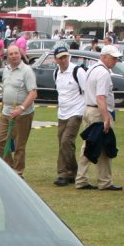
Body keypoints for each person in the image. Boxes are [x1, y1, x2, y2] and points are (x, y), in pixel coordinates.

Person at [75, 45, 123, 191]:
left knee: (92, 145)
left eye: (116, 58)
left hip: (90, 109)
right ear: (104, 56)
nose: (115, 61)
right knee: (102, 145)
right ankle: (102, 181)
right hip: (98, 112)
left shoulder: (92, 69)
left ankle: (86, 179)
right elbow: (101, 97)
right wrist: (106, 118)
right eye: (113, 58)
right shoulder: (103, 73)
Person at [0, 45, 37, 179]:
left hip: (23, 114)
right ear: (7, 56)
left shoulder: (27, 71)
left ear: (20, 54)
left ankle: (18, 173)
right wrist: (3, 106)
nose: (13, 56)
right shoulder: (6, 69)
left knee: (19, 145)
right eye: (10, 54)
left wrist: (21, 108)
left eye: (16, 53)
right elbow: (6, 89)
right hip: (6, 111)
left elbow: (33, 93)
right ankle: (9, 167)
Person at [52, 46, 86, 187]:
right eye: (60, 58)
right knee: (64, 143)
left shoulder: (78, 71)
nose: (64, 60)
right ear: (56, 60)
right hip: (62, 113)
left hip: (76, 112)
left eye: (65, 56)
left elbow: (87, 91)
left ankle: (63, 173)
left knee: (66, 141)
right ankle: (73, 171)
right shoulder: (56, 73)